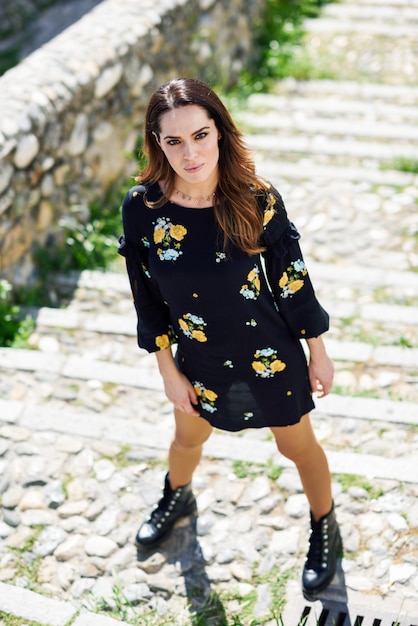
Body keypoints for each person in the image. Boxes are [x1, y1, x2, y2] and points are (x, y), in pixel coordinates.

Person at [118, 77, 342, 600]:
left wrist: (318, 351)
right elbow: (145, 297)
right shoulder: (143, 210)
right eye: (173, 141)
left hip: (268, 355)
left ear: (220, 131)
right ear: (157, 143)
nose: (190, 152)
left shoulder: (257, 199)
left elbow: (292, 281)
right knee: (186, 440)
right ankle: (178, 498)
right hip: (197, 360)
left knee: (299, 448)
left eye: (200, 135)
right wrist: (167, 370)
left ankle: (325, 526)